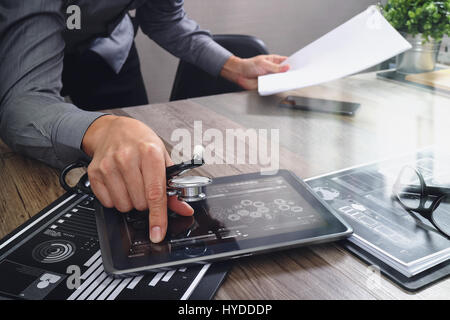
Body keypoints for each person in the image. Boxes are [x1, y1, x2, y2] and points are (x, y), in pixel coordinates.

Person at [0, 0, 289, 243]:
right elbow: (23, 105)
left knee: (133, 162)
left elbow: (164, 19)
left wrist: (233, 65)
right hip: (22, 54)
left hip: (110, 54)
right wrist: (102, 130)